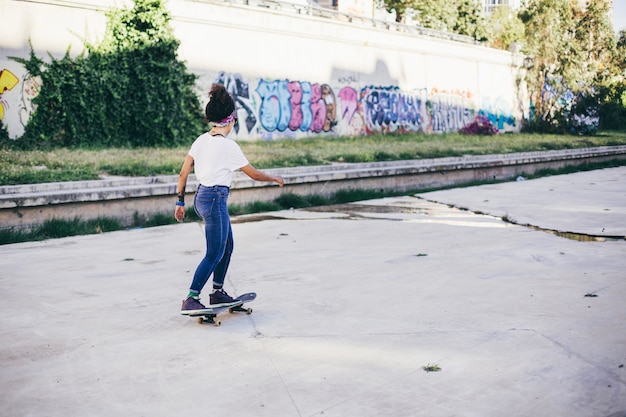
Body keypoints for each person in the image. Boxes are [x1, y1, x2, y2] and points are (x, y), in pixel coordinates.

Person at [176, 84, 284, 314]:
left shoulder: (200, 141)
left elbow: (183, 173)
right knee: (214, 252)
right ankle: (191, 298)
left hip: (201, 197)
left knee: (227, 246)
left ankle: (217, 293)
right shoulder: (229, 147)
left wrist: (179, 202)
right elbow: (253, 174)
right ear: (232, 119)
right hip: (215, 199)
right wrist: (274, 178)